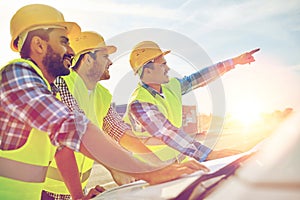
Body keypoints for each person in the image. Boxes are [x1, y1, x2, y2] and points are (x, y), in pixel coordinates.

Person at [0, 4, 209, 200]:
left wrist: (78, 196)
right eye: (64, 41)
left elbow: (68, 144)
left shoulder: (53, 90)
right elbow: (71, 127)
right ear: (38, 44)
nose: (70, 51)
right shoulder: (16, 75)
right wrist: (147, 171)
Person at [43, 31, 161, 199]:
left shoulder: (102, 95)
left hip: (74, 191)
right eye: (105, 56)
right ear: (88, 59)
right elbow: (79, 132)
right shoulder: (62, 85)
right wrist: (118, 166)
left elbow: (121, 132)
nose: (111, 62)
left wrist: (157, 163)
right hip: (44, 191)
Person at [123, 40, 260, 163]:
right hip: (151, 169)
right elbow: (167, 132)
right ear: (147, 70)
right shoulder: (139, 103)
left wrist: (233, 62)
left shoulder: (171, 86)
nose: (168, 69)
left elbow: (198, 78)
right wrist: (209, 154)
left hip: (178, 164)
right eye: (163, 64)